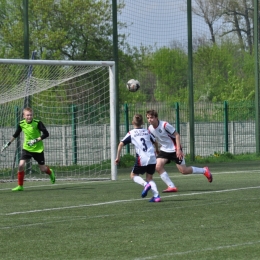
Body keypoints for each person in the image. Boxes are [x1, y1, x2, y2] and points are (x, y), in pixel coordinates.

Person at [146, 109, 212, 193]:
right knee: (158, 166)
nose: (149, 120)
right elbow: (154, 140)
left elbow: (176, 135)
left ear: (156, 117)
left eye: (151, 118)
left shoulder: (165, 125)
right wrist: (157, 150)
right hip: (164, 150)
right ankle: (171, 186)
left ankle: (204, 170)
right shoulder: (150, 128)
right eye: (148, 118)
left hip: (174, 149)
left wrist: (178, 150)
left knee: (183, 171)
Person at [1, 107, 56, 191]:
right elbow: (16, 134)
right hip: (27, 148)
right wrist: (8, 143)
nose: (29, 117)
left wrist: (36, 140)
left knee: (43, 169)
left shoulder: (38, 123)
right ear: (23, 116)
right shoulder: (21, 124)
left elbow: (46, 134)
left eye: (31, 115)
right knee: (20, 165)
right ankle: (20, 186)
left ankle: (50, 172)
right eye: (27, 115)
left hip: (38, 149)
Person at [115, 114, 161, 202]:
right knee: (149, 178)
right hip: (152, 157)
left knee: (133, 175)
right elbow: (155, 142)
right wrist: (157, 150)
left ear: (132, 123)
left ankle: (145, 185)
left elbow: (121, 144)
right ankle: (156, 196)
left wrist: (118, 157)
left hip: (142, 158)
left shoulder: (131, 133)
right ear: (143, 122)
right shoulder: (147, 132)